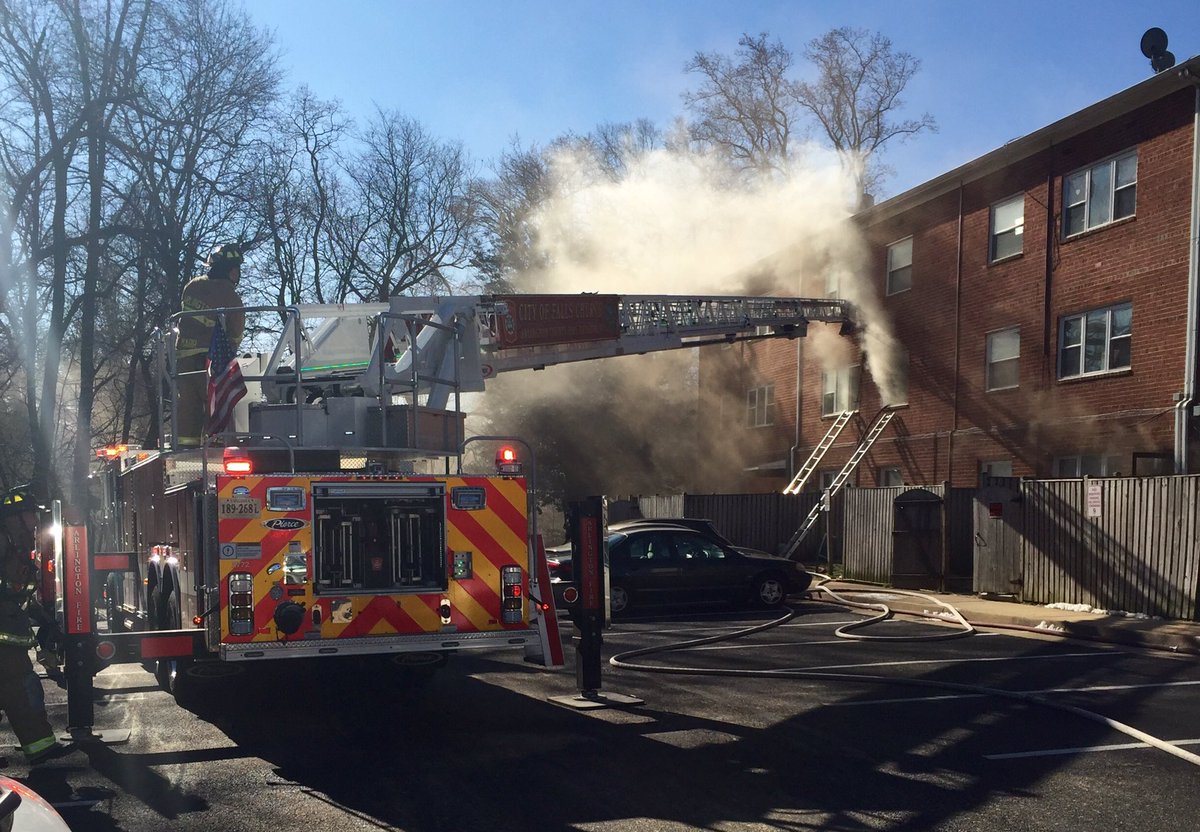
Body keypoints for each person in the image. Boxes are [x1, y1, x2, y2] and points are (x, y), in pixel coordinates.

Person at [0, 492, 69, 767]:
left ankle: (40, 747)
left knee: (18, 692)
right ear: (16, 517)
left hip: (9, 639)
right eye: (31, 514)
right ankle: (40, 748)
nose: (36, 520)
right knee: (23, 690)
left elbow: (20, 595)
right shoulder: (4, 543)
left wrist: (48, 621)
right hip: (5, 642)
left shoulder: (18, 546)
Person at [174, 243, 246, 447]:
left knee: (188, 406)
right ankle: (218, 443)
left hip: (183, 359)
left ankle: (186, 448)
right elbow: (236, 333)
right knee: (218, 403)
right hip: (211, 360)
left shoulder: (192, 286)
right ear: (232, 271)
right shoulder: (231, 296)